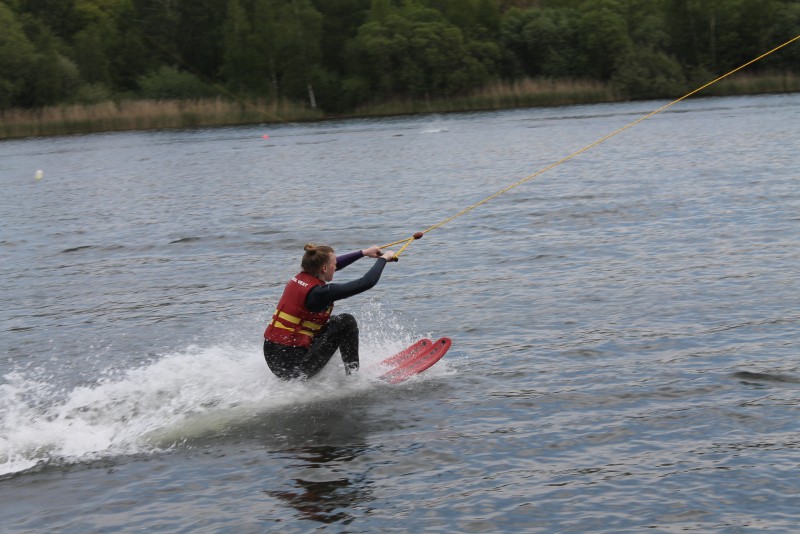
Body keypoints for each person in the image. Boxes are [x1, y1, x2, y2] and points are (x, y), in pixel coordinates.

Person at [263, 243, 395, 380]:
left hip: (274, 358)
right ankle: (354, 378)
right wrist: (383, 259)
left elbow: (334, 264)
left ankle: (349, 373)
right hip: (295, 368)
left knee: (333, 322)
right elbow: (366, 283)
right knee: (346, 322)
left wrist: (364, 253)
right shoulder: (319, 293)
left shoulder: (301, 278)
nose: (336, 265)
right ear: (324, 268)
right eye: (334, 263)